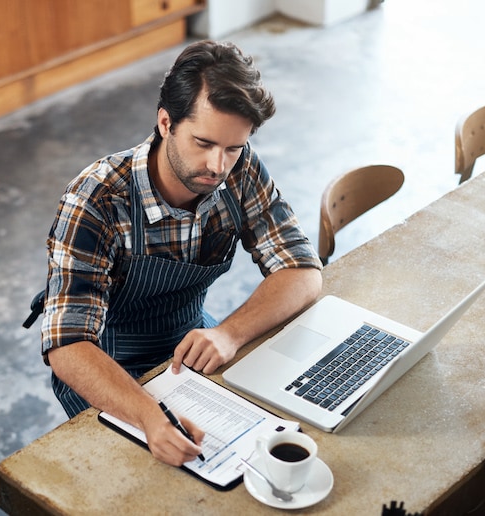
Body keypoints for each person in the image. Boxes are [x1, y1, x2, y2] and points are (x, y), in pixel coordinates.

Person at [39, 40, 323, 467]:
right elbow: (68, 346)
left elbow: (302, 270)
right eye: (204, 143)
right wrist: (150, 418)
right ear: (166, 122)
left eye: (233, 147)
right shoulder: (96, 199)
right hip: (109, 364)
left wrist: (228, 334)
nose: (218, 165)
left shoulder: (239, 165)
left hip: (191, 347)